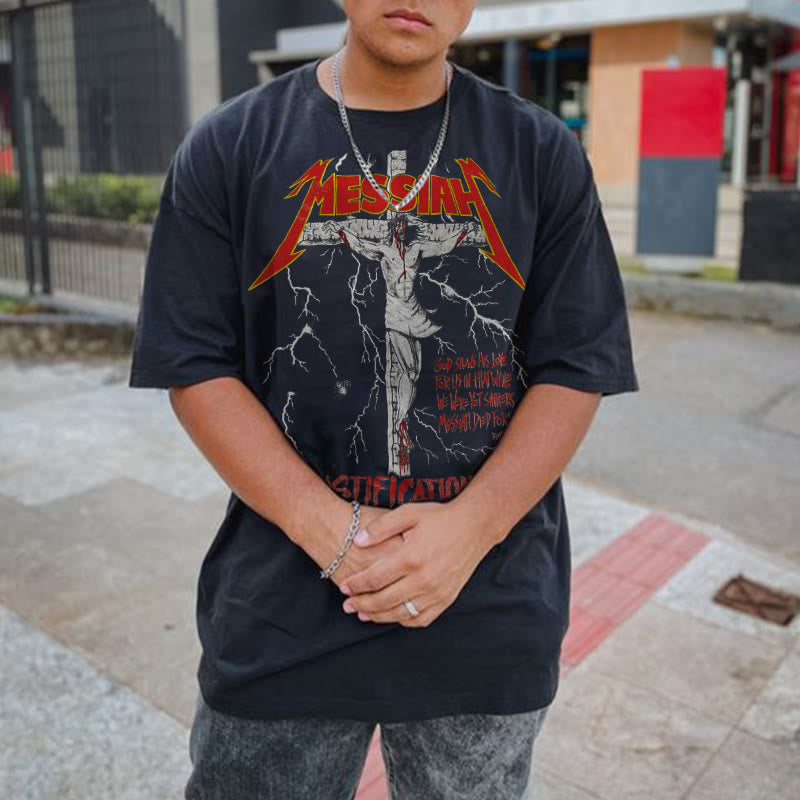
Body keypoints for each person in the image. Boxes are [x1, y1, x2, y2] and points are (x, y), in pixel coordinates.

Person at [128, 2, 639, 798]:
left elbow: (576, 364)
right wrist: (332, 533)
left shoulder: (540, 152)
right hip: (284, 603)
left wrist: (469, 530)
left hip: (485, 602)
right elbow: (194, 362)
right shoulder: (232, 145)